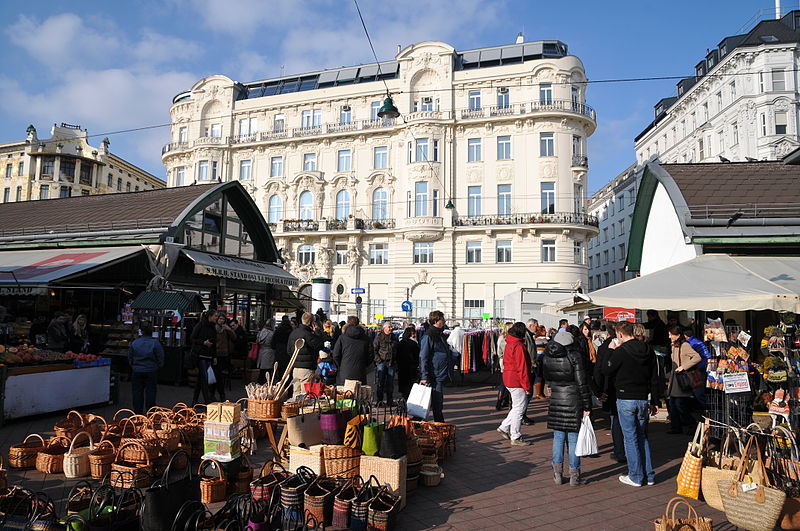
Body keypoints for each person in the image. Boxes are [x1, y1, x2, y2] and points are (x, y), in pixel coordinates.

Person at [604, 321, 661, 487]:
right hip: (643, 398)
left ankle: (636, 476)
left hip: (626, 397)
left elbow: (606, 370)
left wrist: (610, 350)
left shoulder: (621, 351)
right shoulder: (648, 350)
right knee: (642, 436)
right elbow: (654, 377)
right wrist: (655, 400)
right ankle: (648, 475)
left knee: (630, 438)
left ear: (620, 334)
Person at [543, 330, 592, 486]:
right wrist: (587, 405)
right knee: (573, 438)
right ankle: (574, 475)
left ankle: (557, 474)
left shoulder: (547, 356)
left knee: (558, 438)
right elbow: (582, 383)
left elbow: (547, 378)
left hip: (556, 399)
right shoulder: (574, 356)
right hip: (573, 400)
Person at [497, 322, 534, 446]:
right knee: (519, 408)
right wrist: (527, 386)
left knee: (517, 407)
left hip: (508, 377)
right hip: (516, 380)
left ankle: (504, 427)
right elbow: (522, 368)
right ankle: (515, 436)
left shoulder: (509, 343)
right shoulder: (518, 346)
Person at [593, 325, 625, 462]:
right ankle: (627, 451)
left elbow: (600, 370)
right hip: (628, 390)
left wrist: (599, 390)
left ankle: (619, 451)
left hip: (612, 388)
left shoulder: (604, 347)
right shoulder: (631, 346)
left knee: (616, 420)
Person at [666, 325, 701, 434]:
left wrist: (684, 366)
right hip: (675, 378)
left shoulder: (685, 345)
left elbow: (697, 357)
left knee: (679, 405)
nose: (669, 337)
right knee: (673, 404)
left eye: (671, 334)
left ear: (677, 335)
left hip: (680, 378)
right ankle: (676, 427)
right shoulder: (674, 345)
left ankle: (691, 425)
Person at [420, 310, 451, 422]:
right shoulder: (429, 336)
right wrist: (424, 376)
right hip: (433, 375)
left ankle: (438, 424)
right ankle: (439, 425)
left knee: (436, 402)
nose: (444, 321)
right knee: (436, 402)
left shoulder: (440, 334)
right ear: (436, 321)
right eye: (442, 319)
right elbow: (423, 357)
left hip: (439, 373)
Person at [128, 320, 164, 414]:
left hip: (137, 370)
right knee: (151, 392)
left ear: (141, 331)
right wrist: (158, 366)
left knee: (137, 392)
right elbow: (160, 357)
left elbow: (130, 357)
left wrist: (134, 366)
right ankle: (150, 412)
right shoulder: (155, 343)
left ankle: (138, 413)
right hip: (151, 370)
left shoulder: (135, 343)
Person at [288, 312, 323, 397]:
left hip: (295, 368)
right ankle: (302, 410)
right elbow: (319, 345)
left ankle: (295, 409)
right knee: (305, 395)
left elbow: (289, 350)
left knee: (296, 393)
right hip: (307, 368)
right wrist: (318, 332)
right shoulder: (308, 334)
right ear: (312, 322)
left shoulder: (294, 332)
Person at [333, 316, 371, 385]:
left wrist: (341, 366)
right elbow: (371, 355)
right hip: (360, 370)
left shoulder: (342, 338)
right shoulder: (366, 338)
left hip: (345, 371)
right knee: (360, 393)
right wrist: (364, 364)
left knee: (346, 393)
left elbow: (335, 355)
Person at [191, 310, 218, 405]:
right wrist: (203, 342)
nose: (216, 318)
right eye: (215, 316)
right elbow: (192, 338)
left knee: (201, 379)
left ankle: (194, 402)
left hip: (208, 355)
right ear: (210, 316)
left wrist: (214, 356)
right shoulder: (200, 325)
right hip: (201, 355)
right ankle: (207, 401)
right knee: (204, 378)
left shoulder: (213, 327)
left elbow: (214, 343)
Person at [373, 321, 399, 403]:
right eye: (389, 327)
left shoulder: (394, 337)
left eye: (391, 327)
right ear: (384, 328)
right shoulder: (379, 338)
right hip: (382, 362)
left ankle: (390, 400)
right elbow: (374, 350)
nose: (391, 328)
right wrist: (379, 360)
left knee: (390, 383)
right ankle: (379, 401)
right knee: (380, 382)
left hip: (392, 363)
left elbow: (397, 349)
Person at [213, 314, 236, 401]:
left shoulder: (226, 329)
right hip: (216, 353)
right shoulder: (214, 328)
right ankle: (215, 394)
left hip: (224, 353)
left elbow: (234, 338)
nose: (221, 321)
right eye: (220, 319)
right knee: (217, 375)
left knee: (220, 375)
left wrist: (229, 329)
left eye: (223, 319)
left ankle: (221, 394)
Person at [397, 326, 420, 399]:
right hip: (411, 366)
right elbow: (417, 355)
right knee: (410, 384)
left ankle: (404, 398)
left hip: (402, 366)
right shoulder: (414, 343)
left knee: (403, 384)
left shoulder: (400, 343)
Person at [495, 322, 513, 410]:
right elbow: (499, 352)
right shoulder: (504, 338)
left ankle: (502, 401)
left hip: (504, 361)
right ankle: (501, 401)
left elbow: (499, 352)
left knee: (504, 382)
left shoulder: (501, 337)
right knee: (505, 382)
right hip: (506, 361)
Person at [271, 315, 292, 381]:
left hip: (279, 352)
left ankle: (280, 385)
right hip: (288, 353)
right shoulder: (291, 331)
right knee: (288, 372)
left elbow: (273, 343)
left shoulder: (278, 330)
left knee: (280, 372)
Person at [255, 319, 276, 384]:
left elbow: (257, 341)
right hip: (269, 352)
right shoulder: (272, 333)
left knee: (262, 370)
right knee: (268, 371)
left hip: (262, 352)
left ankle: (260, 382)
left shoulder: (261, 332)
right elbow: (273, 344)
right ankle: (267, 384)